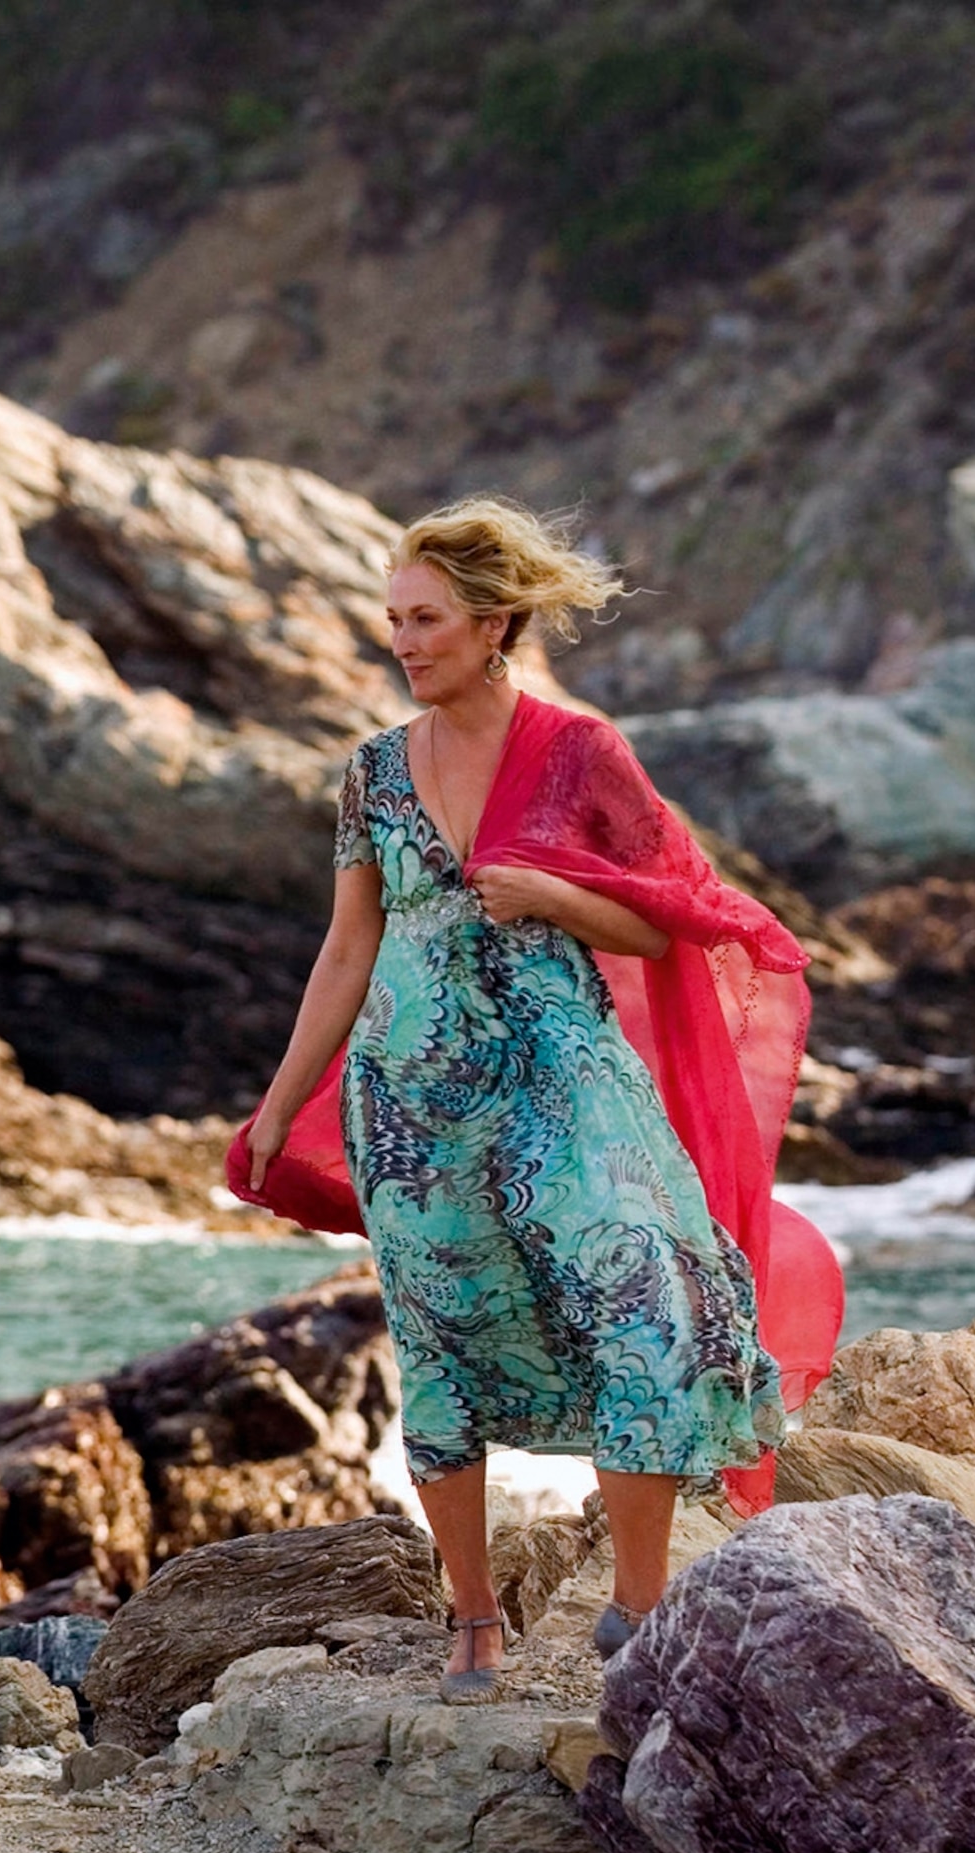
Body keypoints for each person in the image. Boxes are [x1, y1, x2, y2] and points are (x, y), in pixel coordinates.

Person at [232, 496, 840, 1705]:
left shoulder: (581, 752)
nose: (405, 641)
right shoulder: (371, 772)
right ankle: (470, 1612)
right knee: (443, 1341)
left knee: (645, 1297)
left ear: (494, 619)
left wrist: (553, 897)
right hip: (413, 1100)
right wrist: (277, 1104)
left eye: (428, 619)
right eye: (394, 619)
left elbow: (665, 917)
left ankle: (642, 1600)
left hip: (565, 1079)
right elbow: (348, 949)